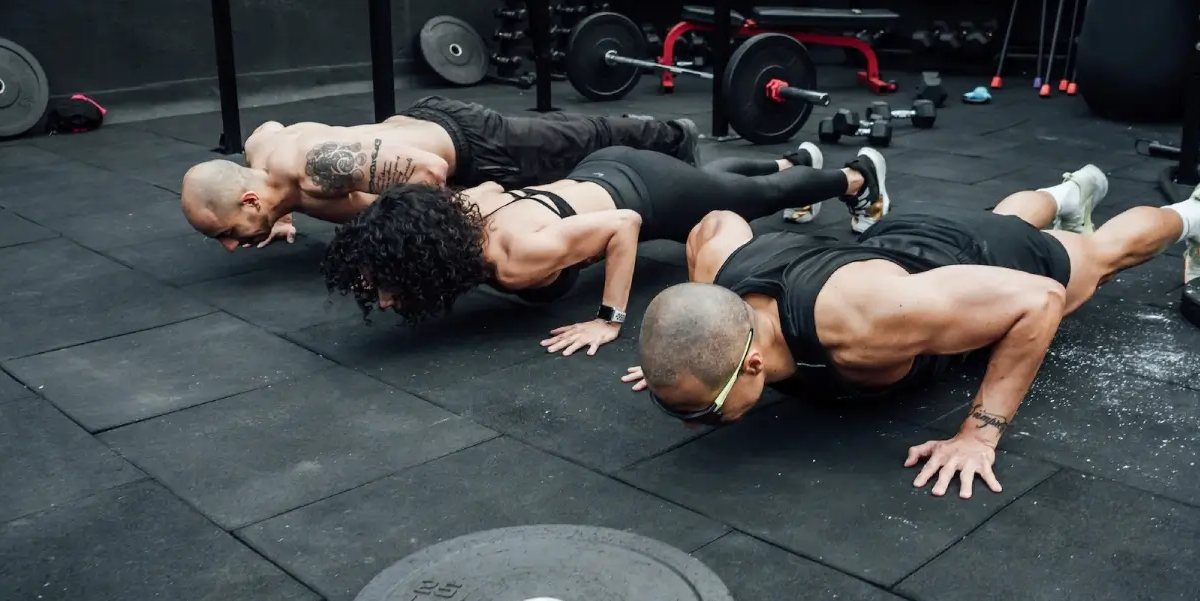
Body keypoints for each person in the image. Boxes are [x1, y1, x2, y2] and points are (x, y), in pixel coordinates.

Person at [623, 165, 1200, 499]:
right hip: (908, 248)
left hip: (987, 260)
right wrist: (676, 362)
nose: (688, 424)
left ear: (752, 364)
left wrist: (979, 435)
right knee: (999, 214)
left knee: (1100, 256)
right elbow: (716, 222)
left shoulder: (860, 325)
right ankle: (1071, 188)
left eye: (702, 411)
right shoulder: (722, 284)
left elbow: (1039, 301)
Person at [321, 144, 891, 357]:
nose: (388, 302)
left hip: (641, 194)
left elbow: (624, 225)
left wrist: (609, 320)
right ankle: (792, 160)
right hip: (600, 171)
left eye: (391, 286)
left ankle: (855, 178)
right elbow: (492, 188)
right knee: (716, 182)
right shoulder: (464, 211)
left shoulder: (515, 257)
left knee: (749, 199)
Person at [178, 96, 700, 251]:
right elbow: (269, 125)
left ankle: (676, 135)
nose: (229, 245)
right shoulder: (260, 151)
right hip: (427, 127)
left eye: (226, 234)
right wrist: (279, 216)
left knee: (580, 140)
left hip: (470, 146)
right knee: (569, 137)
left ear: (248, 200)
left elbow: (428, 170)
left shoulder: (313, 170)